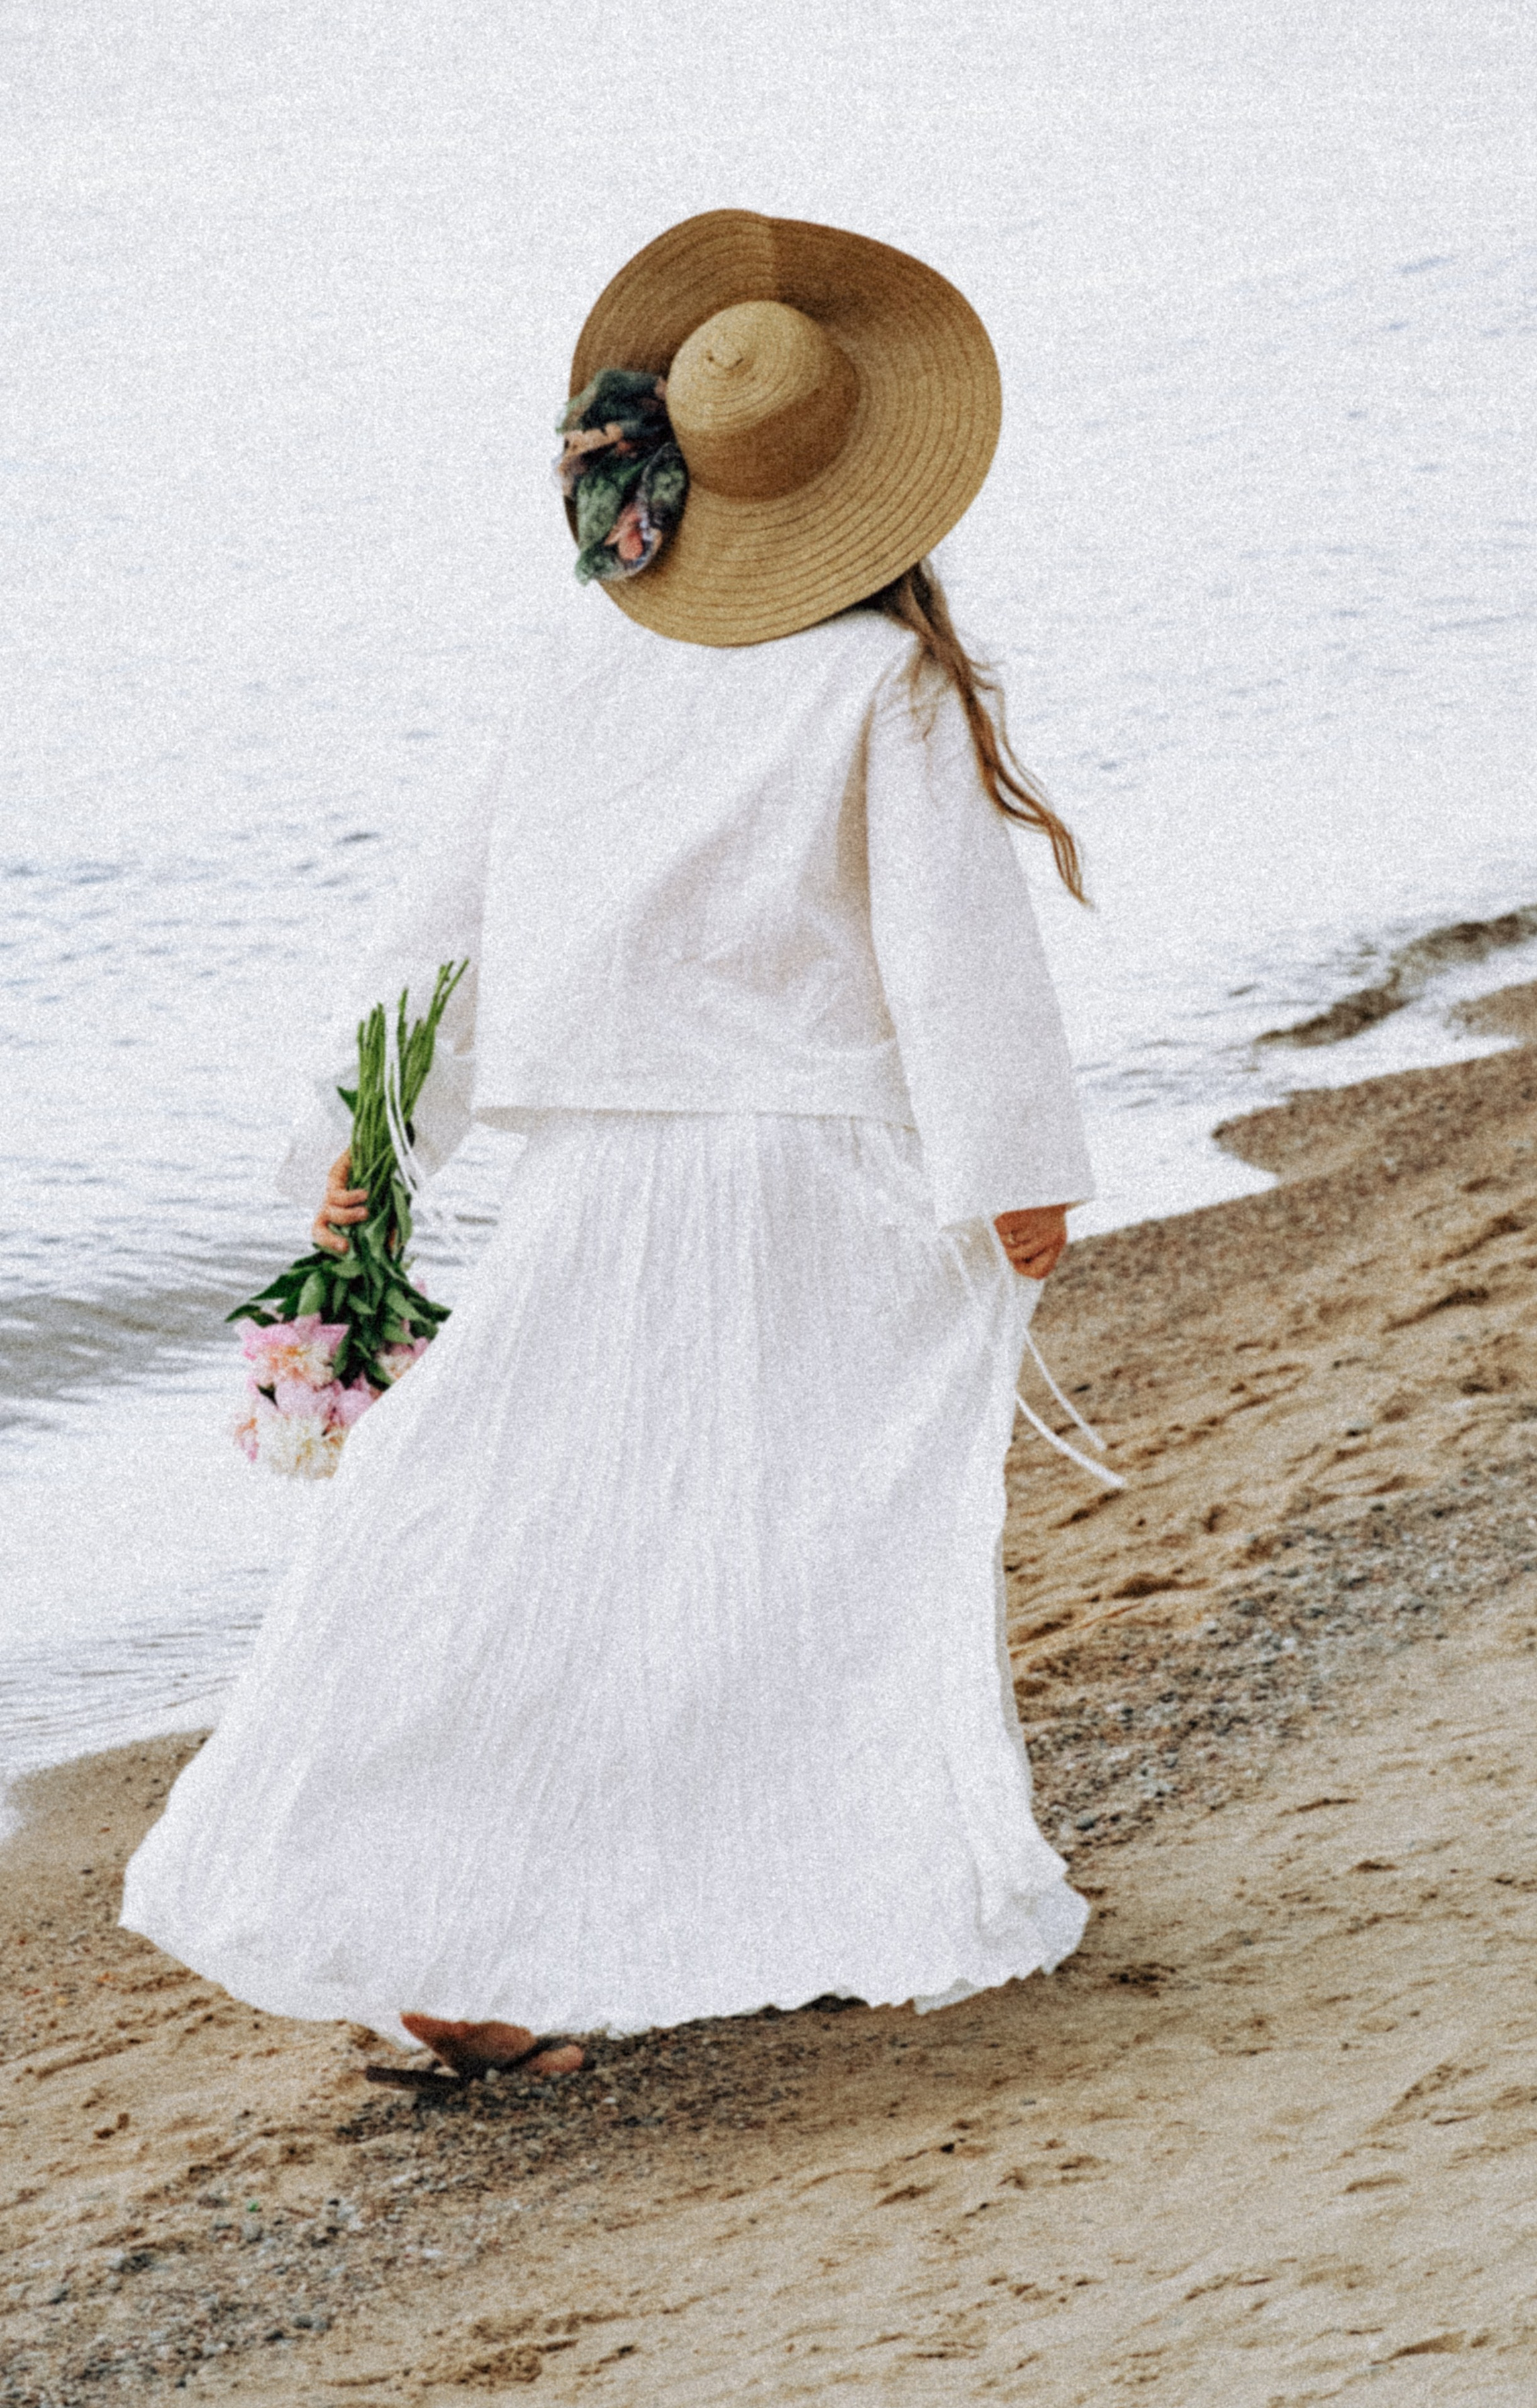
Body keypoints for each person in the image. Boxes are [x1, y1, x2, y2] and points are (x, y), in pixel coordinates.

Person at [122, 209, 1098, 2084]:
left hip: (600, 1185)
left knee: (509, 1528)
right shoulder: (877, 679)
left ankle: (530, 1931)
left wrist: (365, 1140)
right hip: (814, 1182)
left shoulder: (578, 669)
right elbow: (953, 955)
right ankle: (688, 1906)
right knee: (794, 1541)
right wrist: (1014, 1173)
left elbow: (442, 929)